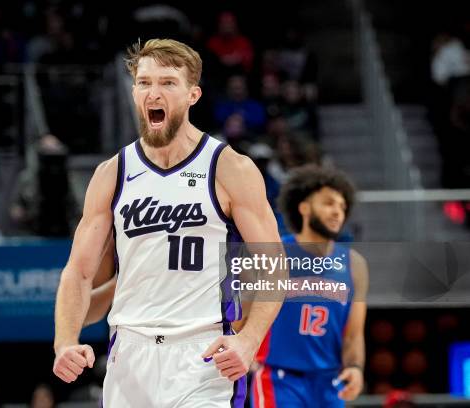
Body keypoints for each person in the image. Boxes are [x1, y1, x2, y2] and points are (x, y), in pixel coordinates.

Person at [52, 38, 283, 407]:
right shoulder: (112, 173)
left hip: (203, 354)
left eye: (167, 83)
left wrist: (249, 340)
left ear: (193, 94)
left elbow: (274, 266)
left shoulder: (229, 168)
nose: (153, 92)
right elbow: (78, 272)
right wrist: (64, 341)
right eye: (144, 83)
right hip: (129, 352)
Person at [251, 164, 368, 407]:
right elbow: (241, 313)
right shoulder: (275, 253)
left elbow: (354, 334)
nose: (337, 212)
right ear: (303, 207)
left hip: (329, 383)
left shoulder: (355, 265)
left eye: (342, 207)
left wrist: (355, 367)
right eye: (328, 203)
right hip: (279, 379)